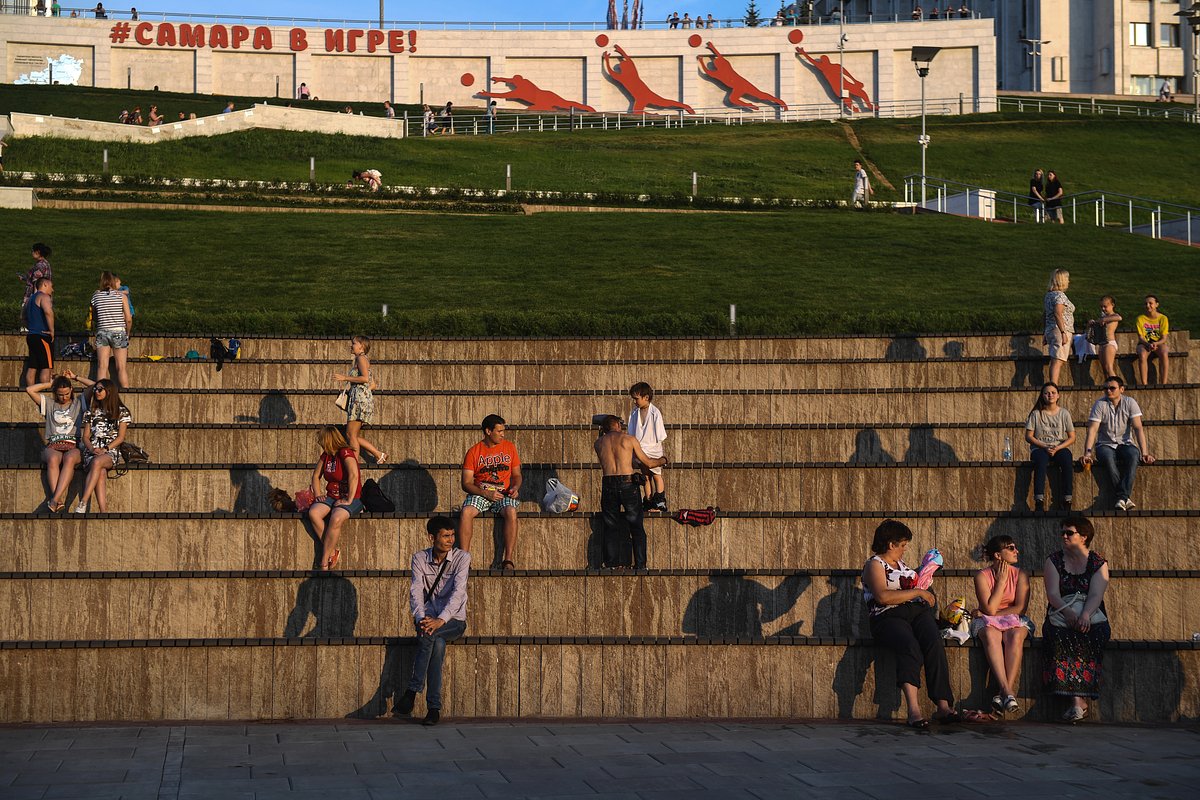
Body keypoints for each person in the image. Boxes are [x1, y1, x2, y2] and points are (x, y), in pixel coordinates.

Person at [861, 519, 957, 728]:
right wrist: (918, 591)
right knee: (910, 646)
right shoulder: (874, 564)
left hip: (915, 613)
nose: (905, 549)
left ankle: (943, 706)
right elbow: (883, 597)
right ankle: (914, 710)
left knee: (933, 642)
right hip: (887, 616)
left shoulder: (902, 565)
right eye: (902, 545)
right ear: (890, 544)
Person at [394, 516, 470, 727]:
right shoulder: (419, 558)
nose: (451, 540)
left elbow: (458, 594)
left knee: (432, 636)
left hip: (453, 621)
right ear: (431, 537)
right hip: (427, 620)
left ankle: (412, 691)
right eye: (445, 536)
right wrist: (421, 619)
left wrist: (440, 621)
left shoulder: (462, 558)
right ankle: (433, 708)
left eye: (452, 535)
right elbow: (416, 592)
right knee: (435, 643)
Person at [1042, 516, 1110, 722]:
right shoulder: (1053, 560)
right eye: (1062, 532)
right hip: (1062, 612)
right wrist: (1069, 613)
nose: (1063, 536)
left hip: (1091, 613)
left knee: (1093, 633)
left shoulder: (1098, 563)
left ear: (1084, 536)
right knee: (1061, 635)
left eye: (1069, 532)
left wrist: (1085, 615)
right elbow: (1053, 594)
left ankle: (1078, 701)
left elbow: (1096, 595)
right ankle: (1077, 702)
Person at [594, 415, 667, 571]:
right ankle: (640, 564)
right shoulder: (629, 439)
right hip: (628, 484)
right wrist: (663, 460)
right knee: (636, 526)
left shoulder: (598, 443)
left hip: (608, 483)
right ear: (617, 425)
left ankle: (612, 564)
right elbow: (648, 462)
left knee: (611, 526)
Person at [971, 535, 1033, 715]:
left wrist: (990, 613)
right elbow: (989, 609)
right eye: (1011, 548)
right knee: (991, 635)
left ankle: (1004, 692)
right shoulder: (982, 576)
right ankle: (1007, 692)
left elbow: (1020, 608)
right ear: (998, 555)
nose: (1017, 551)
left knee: (1015, 635)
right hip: (988, 621)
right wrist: (1002, 582)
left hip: (1013, 618)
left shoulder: (1021, 574)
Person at [1081, 376, 1154, 510]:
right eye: (1105, 388)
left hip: (1125, 443)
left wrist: (1145, 453)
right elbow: (1092, 430)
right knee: (1108, 459)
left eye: (1112, 388)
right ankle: (1124, 497)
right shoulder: (1100, 404)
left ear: (1121, 389)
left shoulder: (1130, 402)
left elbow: (1138, 428)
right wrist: (1088, 453)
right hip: (1105, 444)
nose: (1108, 391)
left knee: (1134, 455)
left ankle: (1121, 498)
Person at [459, 414, 522, 567]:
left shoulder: (510, 447)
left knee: (511, 511)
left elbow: (517, 475)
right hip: (481, 493)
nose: (502, 434)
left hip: (503, 492)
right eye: (499, 431)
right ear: (488, 431)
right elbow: (466, 483)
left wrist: (515, 487)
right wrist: (485, 493)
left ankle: (507, 559)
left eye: (503, 431)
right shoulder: (474, 452)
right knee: (466, 511)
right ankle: (464, 560)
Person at [26, 370, 93, 512]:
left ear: (72, 390)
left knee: (69, 458)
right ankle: (58, 500)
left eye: (67, 394)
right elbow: (29, 390)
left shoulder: (78, 402)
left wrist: (76, 376)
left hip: (73, 445)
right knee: (53, 458)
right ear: (55, 393)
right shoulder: (49, 403)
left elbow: (95, 385)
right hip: (53, 445)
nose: (63, 397)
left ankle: (54, 499)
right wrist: (51, 383)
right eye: (60, 394)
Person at [307, 425, 363, 570]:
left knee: (336, 518)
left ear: (328, 439)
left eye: (321, 439)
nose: (319, 442)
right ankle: (332, 551)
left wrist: (349, 499)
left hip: (353, 497)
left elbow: (354, 474)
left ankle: (324, 560)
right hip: (332, 496)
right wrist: (318, 494)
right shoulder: (326, 455)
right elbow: (315, 476)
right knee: (313, 513)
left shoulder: (345, 452)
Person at [74, 379, 131, 514]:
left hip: (110, 451)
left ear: (109, 391)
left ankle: (83, 501)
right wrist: (92, 449)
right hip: (92, 451)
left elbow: (120, 437)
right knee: (101, 471)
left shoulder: (122, 412)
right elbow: (85, 437)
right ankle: (103, 510)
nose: (96, 392)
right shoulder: (91, 412)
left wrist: (105, 449)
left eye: (100, 389)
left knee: (98, 461)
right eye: (95, 389)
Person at [334, 335, 386, 463]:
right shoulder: (363, 359)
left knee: (350, 435)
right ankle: (378, 454)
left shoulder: (360, 358)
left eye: (354, 343)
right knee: (352, 435)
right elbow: (372, 385)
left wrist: (345, 378)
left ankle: (354, 465)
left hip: (359, 402)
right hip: (360, 401)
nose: (351, 345)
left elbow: (365, 379)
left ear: (361, 346)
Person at [1024, 382, 1075, 511]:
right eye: (1046, 393)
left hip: (1059, 447)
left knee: (1067, 460)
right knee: (1040, 461)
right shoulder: (1036, 414)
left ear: (1058, 395)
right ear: (1042, 396)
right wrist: (1045, 446)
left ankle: (1067, 499)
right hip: (1040, 448)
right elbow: (1029, 436)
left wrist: (1058, 448)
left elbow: (1072, 437)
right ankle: (1039, 500)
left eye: (1053, 392)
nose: (1050, 395)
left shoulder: (1064, 413)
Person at [628, 382, 668, 512]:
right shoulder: (634, 413)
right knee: (646, 476)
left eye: (636, 399)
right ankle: (648, 500)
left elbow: (660, 435)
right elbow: (631, 432)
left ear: (646, 397)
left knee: (656, 475)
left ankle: (660, 501)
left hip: (653, 449)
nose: (635, 402)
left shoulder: (655, 412)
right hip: (640, 449)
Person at [90, 271, 133, 387]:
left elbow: (94, 316)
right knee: (121, 367)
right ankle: (126, 395)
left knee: (102, 366)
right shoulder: (121, 296)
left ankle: (100, 393)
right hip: (119, 331)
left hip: (102, 332)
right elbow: (128, 319)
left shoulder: (96, 295)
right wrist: (127, 333)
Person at [1042, 268, 1075, 385]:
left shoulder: (1049, 295)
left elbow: (1045, 315)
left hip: (1051, 330)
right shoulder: (1060, 296)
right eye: (1067, 279)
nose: (1069, 281)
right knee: (1058, 360)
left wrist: (1045, 333)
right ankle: (1053, 386)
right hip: (1060, 330)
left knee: (1056, 358)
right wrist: (1063, 332)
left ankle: (1053, 385)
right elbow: (1057, 313)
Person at [23, 277, 54, 389]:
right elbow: (48, 312)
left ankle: (30, 392)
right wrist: (52, 330)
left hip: (31, 336)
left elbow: (23, 317)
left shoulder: (30, 299)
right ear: (45, 284)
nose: (53, 289)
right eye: (51, 286)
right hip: (42, 336)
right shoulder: (44, 297)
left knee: (32, 367)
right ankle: (45, 393)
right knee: (46, 367)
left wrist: (31, 327)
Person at [1134, 294, 1169, 385]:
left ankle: (1164, 383)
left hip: (1159, 343)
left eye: (1151, 303)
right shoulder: (1140, 319)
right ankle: (1144, 384)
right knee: (1141, 354)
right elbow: (1141, 338)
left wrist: (1156, 344)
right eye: (1146, 304)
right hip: (1144, 343)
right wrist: (1148, 344)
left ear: (1157, 304)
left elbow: (1164, 338)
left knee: (1164, 352)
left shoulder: (1163, 318)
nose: (1148, 305)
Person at [1087, 295, 1122, 380]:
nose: (1103, 309)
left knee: (1109, 367)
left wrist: (1105, 320)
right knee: (1104, 369)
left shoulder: (1113, 316)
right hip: (1102, 344)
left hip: (1109, 344)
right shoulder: (1102, 318)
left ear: (1112, 305)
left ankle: (1116, 385)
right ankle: (1108, 386)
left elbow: (1119, 318)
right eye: (1101, 306)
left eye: (1105, 306)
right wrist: (1091, 323)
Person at [20, 243, 52, 328]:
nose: (31, 253)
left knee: (25, 320)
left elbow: (37, 283)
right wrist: (24, 278)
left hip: (34, 297)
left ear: (37, 252)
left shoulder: (40, 266)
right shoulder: (44, 263)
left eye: (32, 251)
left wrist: (34, 300)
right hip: (41, 298)